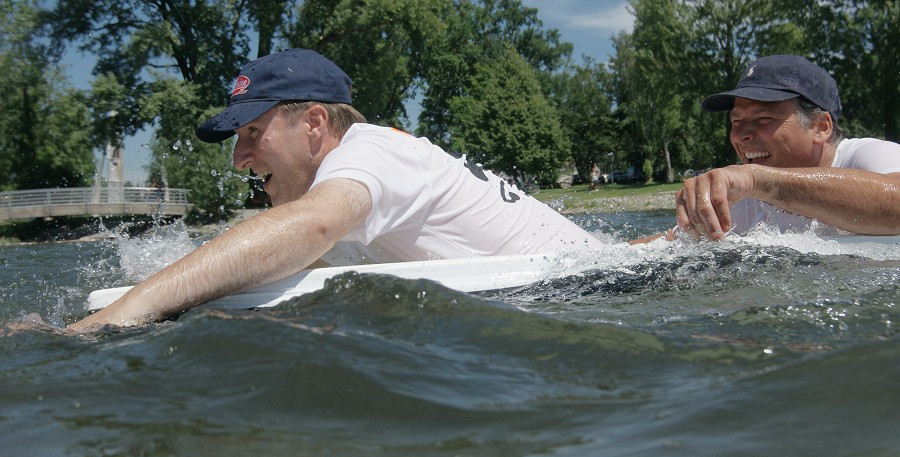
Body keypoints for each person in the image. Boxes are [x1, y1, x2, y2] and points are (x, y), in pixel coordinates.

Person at [68, 49, 604, 332]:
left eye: (252, 133)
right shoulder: (357, 179)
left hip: (599, 299)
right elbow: (269, 262)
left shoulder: (369, 152)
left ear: (315, 123)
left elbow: (311, 227)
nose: (239, 159)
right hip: (574, 295)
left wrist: (113, 319)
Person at [672, 54, 900, 241]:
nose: (741, 136)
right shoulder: (743, 200)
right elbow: (658, 248)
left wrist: (758, 180)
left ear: (820, 126)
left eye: (762, 119)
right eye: (736, 122)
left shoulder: (865, 155)